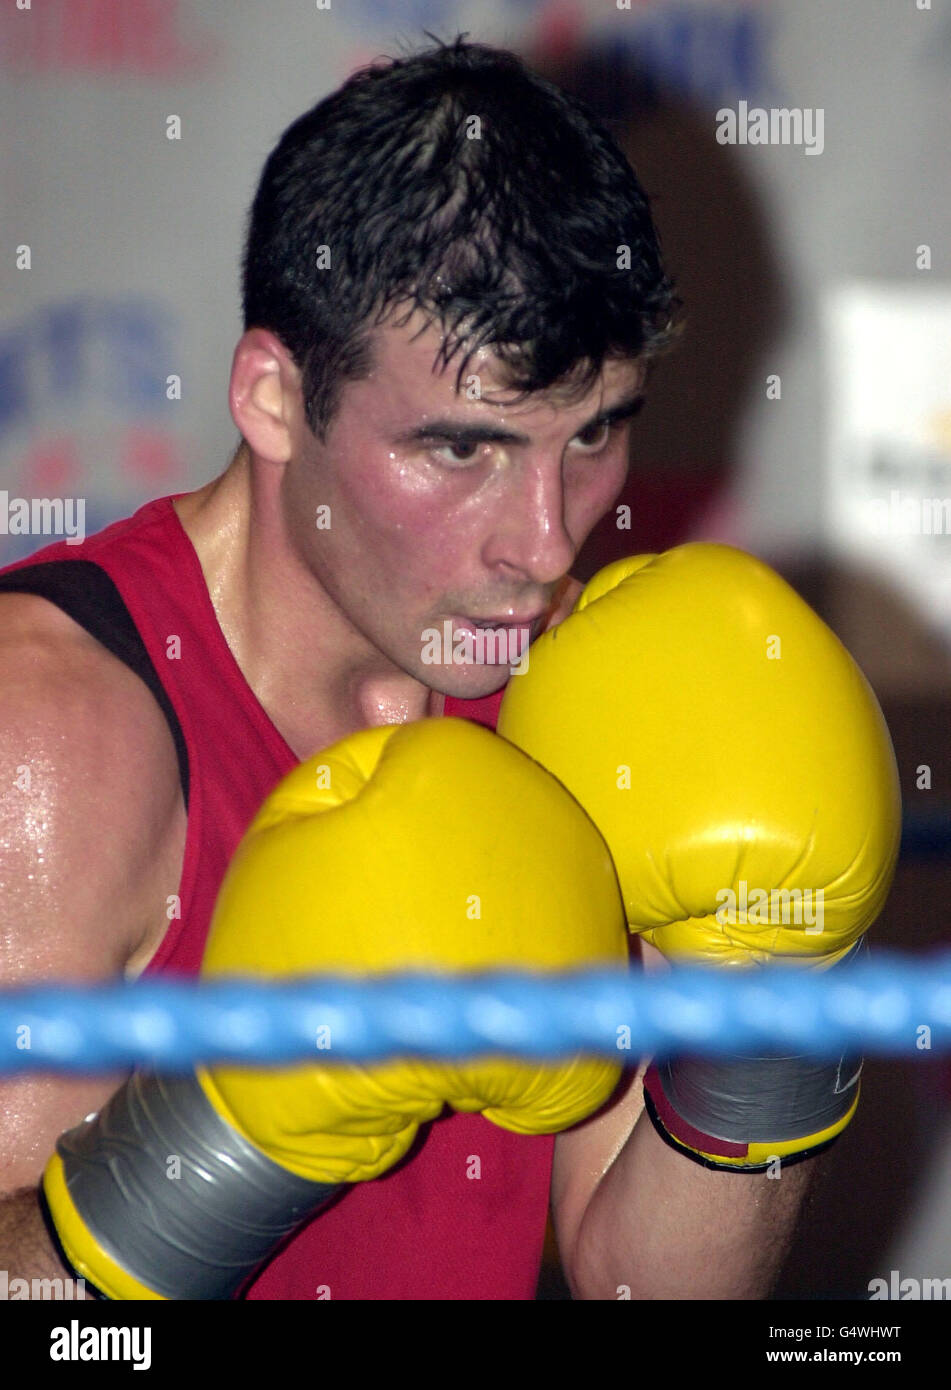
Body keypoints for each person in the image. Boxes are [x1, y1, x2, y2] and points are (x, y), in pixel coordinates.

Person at [0, 35, 868, 1301]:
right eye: (464, 450)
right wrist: (221, 1142)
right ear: (274, 400)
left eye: (596, 435)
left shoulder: (581, 700)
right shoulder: (59, 735)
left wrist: (773, 1014)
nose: (545, 539)